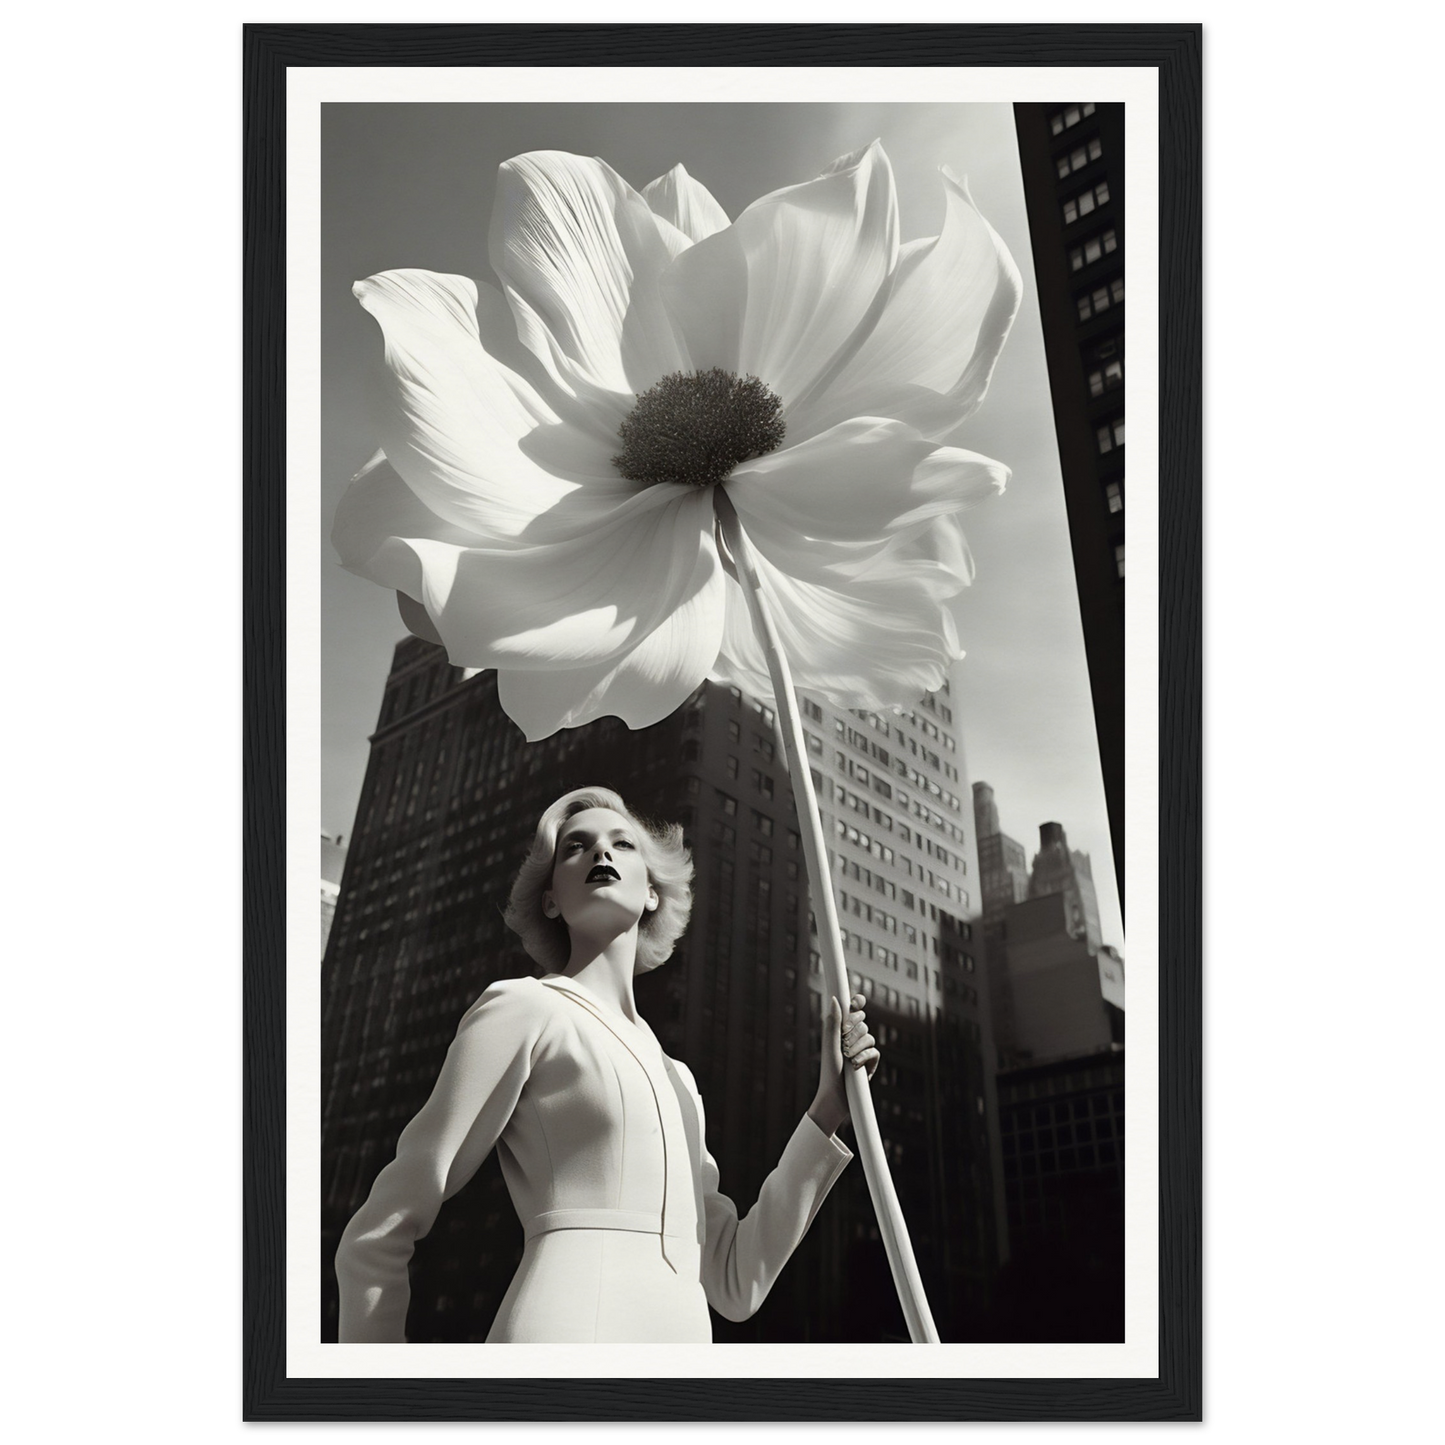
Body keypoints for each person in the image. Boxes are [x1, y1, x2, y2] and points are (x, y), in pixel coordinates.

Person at [335, 785, 880, 1343]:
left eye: (622, 844)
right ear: (550, 900)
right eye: (576, 847)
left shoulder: (678, 1078)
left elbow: (735, 1283)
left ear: (652, 893)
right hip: (562, 1339)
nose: (601, 854)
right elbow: (381, 1231)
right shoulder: (525, 1008)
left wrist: (828, 1109)